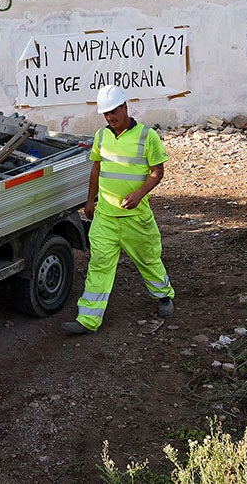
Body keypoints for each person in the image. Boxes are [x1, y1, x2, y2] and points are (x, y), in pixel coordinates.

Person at [63, 85, 176, 334]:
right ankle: (88, 319)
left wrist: (139, 194)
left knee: (148, 258)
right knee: (99, 265)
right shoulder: (101, 136)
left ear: (125, 107)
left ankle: (164, 296)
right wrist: (90, 200)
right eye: (105, 114)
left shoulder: (148, 136)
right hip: (106, 216)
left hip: (135, 217)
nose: (110, 118)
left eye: (113, 112)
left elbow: (158, 172)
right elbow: (96, 168)